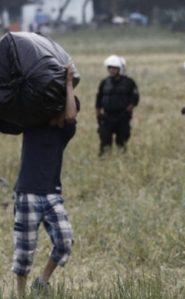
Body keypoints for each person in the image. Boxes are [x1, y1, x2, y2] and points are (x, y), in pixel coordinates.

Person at [0, 66, 78, 296]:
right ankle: (21, 294)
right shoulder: (32, 126)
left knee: (65, 241)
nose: (63, 113)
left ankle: (42, 282)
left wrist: (69, 83)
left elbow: (72, 114)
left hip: (52, 194)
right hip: (26, 193)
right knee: (24, 251)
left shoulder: (65, 132)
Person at [95, 55, 139, 156]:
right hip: (107, 117)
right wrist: (99, 117)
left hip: (122, 117)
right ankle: (104, 162)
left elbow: (134, 100)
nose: (112, 70)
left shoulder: (129, 83)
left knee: (122, 143)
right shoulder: (104, 83)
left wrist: (126, 112)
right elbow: (98, 102)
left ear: (121, 69)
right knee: (105, 143)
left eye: (114, 68)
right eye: (110, 68)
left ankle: (122, 162)